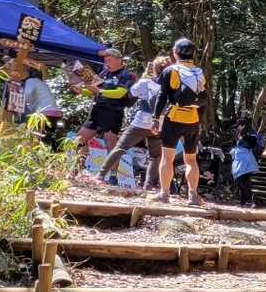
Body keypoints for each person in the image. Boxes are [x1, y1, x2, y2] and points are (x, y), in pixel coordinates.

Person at [98, 54, 169, 191]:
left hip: (141, 123)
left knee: (120, 147)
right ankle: (148, 185)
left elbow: (132, 92)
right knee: (155, 156)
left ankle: (100, 175)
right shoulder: (171, 87)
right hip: (160, 125)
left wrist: (144, 77)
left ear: (154, 69)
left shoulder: (146, 82)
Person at [154, 39, 206, 205]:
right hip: (193, 119)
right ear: (193, 54)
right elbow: (203, 100)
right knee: (191, 159)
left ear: (175, 53)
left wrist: (156, 118)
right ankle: (193, 195)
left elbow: (162, 96)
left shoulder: (171, 70)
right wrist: (199, 122)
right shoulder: (199, 72)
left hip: (174, 118)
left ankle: (164, 194)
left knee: (167, 158)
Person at [69, 48, 133, 176]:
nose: (107, 63)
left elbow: (121, 93)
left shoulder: (126, 75)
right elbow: (93, 90)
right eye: (105, 61)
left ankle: (113, 175)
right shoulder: (103, 73)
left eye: (109, 60)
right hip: (97, 110)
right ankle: (77, 168)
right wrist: (81, 91)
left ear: (119, 60)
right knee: (79, 139)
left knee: (111, 143)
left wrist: (100, 91)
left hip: (113, 111)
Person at [230, 120, 265, 207]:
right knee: (243, 180)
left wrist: (244, 137)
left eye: (238, 126)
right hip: (240, 160)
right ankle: (244, 202)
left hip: (245, 161)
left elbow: (253, 143)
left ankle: (249, 200)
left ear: (243, 125)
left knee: (241, 180)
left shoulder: (249, 134)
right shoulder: (240, 134)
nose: (237, 128)